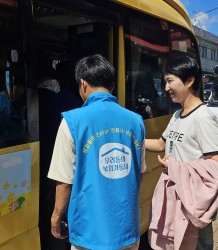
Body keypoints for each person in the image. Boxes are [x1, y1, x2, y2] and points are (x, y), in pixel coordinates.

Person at [48, 54, 146, 249]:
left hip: (88, 232)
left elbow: (65, 181)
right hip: (127, 229)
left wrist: (56, 217)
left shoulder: (72, 121)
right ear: (112, 85)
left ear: (83, 84)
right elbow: (138, 173)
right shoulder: (136, 121)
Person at [145, 55, 218, 250]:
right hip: (177, 197)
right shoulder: (177, 115)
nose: (166, 88)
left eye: (170, 81)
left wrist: (177, 167)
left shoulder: (203, 118)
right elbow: (160, 144)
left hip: (193, 201)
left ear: (189, 81)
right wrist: (132, 139)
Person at [38, 58, 82, 250]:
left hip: (42, 164)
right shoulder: (72, 99)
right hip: (70, 165)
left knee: (52, 210)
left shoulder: (34, 98)